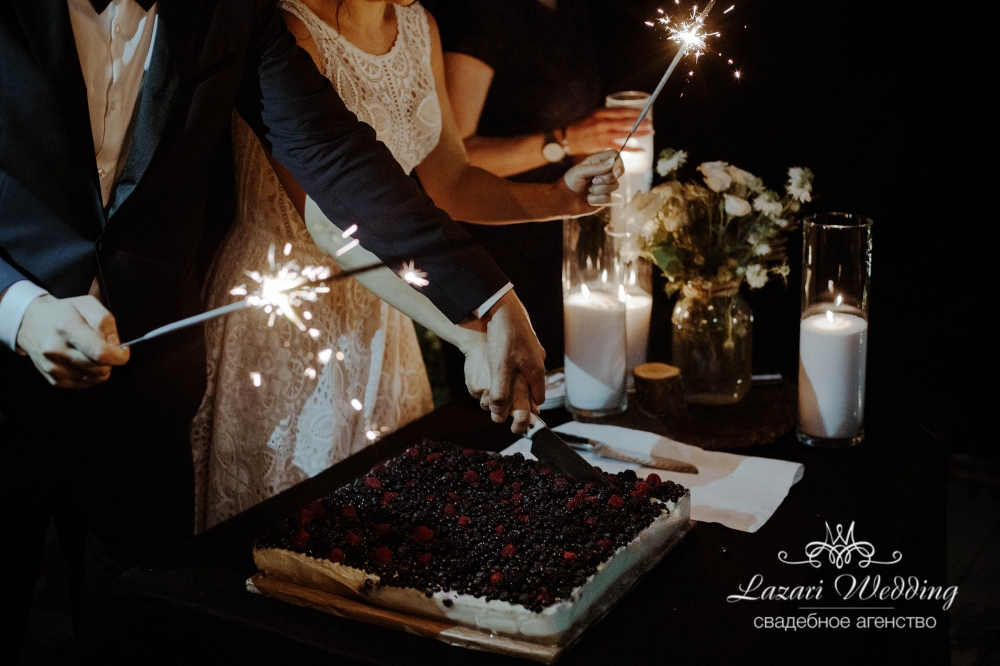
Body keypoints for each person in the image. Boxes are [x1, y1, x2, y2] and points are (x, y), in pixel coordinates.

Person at [0, 0, 587, 655]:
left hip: (146, 395)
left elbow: (337, 157)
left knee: (145, 633)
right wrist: (19, 308)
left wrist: (491, 302)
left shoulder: (231, 11)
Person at [190, 0, 622, 531]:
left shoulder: (418, 26)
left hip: (389, 311)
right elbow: (334, 230)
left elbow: (452, 183)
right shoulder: (291, 28)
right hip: (287, 309)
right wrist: (467, 334)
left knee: (391, 528)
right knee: (290, 529)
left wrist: (557, 198)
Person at [425, 0, 651, 396]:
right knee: (505, 392)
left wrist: (604, 159)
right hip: (498, 239)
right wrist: (566, 140)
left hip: (556, 235)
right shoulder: (485, 15)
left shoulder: (571, 13)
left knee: (571, 386)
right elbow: (455, 158)